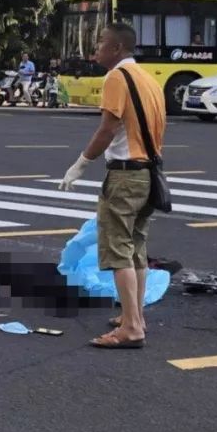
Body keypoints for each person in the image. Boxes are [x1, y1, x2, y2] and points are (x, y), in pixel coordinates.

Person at [59, 22, 166, 349]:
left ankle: (132, 327)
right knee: (136, 247)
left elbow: (108, 129)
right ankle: (135, 315)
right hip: (150, 173)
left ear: (117, 49)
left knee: (117, 247)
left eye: (102, 42)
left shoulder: (117, 78)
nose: (96, 48)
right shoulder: (149, 78)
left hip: (126, 175)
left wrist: (80, 164)